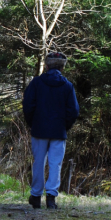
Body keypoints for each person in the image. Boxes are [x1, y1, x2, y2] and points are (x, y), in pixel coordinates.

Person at [22, 52, 80, 209]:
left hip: (39, 130)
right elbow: (73, 111)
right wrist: (64, 126)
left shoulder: (36, 83)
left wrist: (33, 124)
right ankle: (51, 199)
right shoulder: (67, 86)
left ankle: (36, 196)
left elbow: (27, 106)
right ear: (62, 68)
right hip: (58, 131)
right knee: (55, 164)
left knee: (38, 163)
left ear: (47, 66)